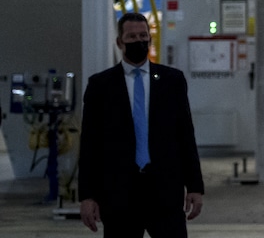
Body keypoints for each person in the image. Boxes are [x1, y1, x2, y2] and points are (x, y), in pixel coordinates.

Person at [78, 12, 204, 237]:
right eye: (132, 36)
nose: (139, 41)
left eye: (143, 35)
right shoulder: (101, 85)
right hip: (119, 194)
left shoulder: (172, 81)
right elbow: (90, 144)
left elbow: (185, 135)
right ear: (119, 42)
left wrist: (195, 186)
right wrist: (87, 195)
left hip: (164, 191)